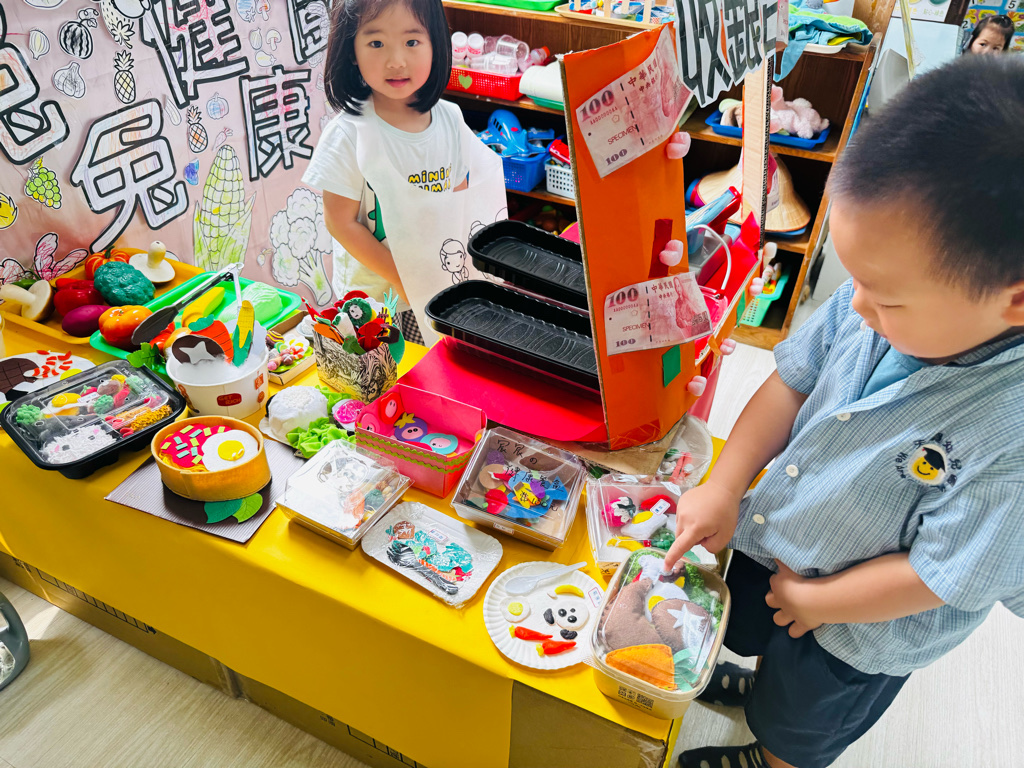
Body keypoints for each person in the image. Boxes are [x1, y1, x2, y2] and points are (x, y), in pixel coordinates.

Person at [667, 55, 1024, 768]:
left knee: (801, 724)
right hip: (780, 542)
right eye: (852, 278)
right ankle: (763, 687)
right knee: (765, 649)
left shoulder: (1010, 436)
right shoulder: (876, 300)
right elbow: (791, 382)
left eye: (885, 297)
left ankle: (771, 757)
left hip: (860, 629)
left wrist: (820, 604)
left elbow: (937, 575)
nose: (856, 305)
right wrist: (726, 484)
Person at [302, 0, 506, 344]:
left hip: (438, 284)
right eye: (376, 43)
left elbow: (462, 204)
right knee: (389, 372)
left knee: (437, 366)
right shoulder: (349, 134)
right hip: (375, 301)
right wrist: (402, 277)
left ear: (435, 44)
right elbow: (340, 221)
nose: (396, 61)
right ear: (351, 51)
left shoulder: (451, 120)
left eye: (412, 41)